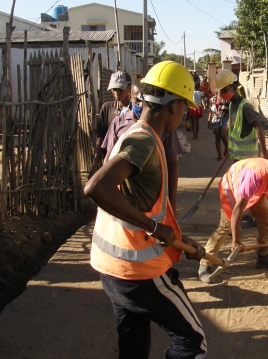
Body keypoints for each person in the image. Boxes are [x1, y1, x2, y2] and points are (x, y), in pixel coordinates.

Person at [84, 61, 208, 359]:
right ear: (173, 105)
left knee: (134, 345)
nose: (184, 114)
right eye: (184, 107)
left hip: (110, 266)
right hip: (136, 272)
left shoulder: (140, 134)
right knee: (192, 342)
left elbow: (144, 206)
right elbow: (96, 188)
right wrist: (154, 229)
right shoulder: (143, 141)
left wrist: (181, 242)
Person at [197, 151, 268, 283]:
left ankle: (263, 256)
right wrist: (236, 240)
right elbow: (238, 210)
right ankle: (205, 263)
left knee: (266, 217)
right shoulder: (255, 176)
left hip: (254, 189)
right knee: (226, 226)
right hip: (231, 185)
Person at [101, 83, 184, 213]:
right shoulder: (142, 140)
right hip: (134, 218)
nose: (140, 105)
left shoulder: (154, 132)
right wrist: (151, 225)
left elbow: (172, 162)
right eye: (137, 101)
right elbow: (99, 184)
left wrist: (171, 204)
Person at [215, 70, 267, 161]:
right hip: (237, 154)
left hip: (247, 157)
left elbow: (259, 126)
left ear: (234, 89)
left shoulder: (245, 107)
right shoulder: (232, 105)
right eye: (220, 91)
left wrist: (263, 152)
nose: (221, 94)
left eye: (224, 90)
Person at [90, 71, 132, 177]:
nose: (117, 93)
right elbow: (101, 138)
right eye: (114, 90)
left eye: (121, 90)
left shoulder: (136, 111)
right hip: (109, 161)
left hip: (130, 162)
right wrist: (95, 164)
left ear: (129, 88)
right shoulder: (107, 108)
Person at [207, 94, 229, 160]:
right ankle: (219, 155)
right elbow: (210, 111)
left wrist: (230, 122)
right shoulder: (212, 99)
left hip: (225, 118)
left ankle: (226, 147)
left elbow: (230, 111)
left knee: (223, 135)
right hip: (215, 119)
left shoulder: (227, 99)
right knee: (217, 137)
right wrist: (209, 120)